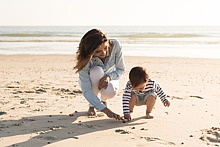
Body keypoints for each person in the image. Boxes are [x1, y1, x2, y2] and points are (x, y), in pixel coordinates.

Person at [74, 29, 125, 120]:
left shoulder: (115, 45)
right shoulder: (85, 59)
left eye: (106, 48)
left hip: (111, 77)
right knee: (96, 70)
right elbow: (86, 89)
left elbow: (121, 69)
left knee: (110, 92)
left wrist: (108, 77)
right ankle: (92, 105)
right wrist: (106, 110)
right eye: (98, 51)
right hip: (91, 79)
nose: (104, 53)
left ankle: (104, 100)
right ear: (90, 51)